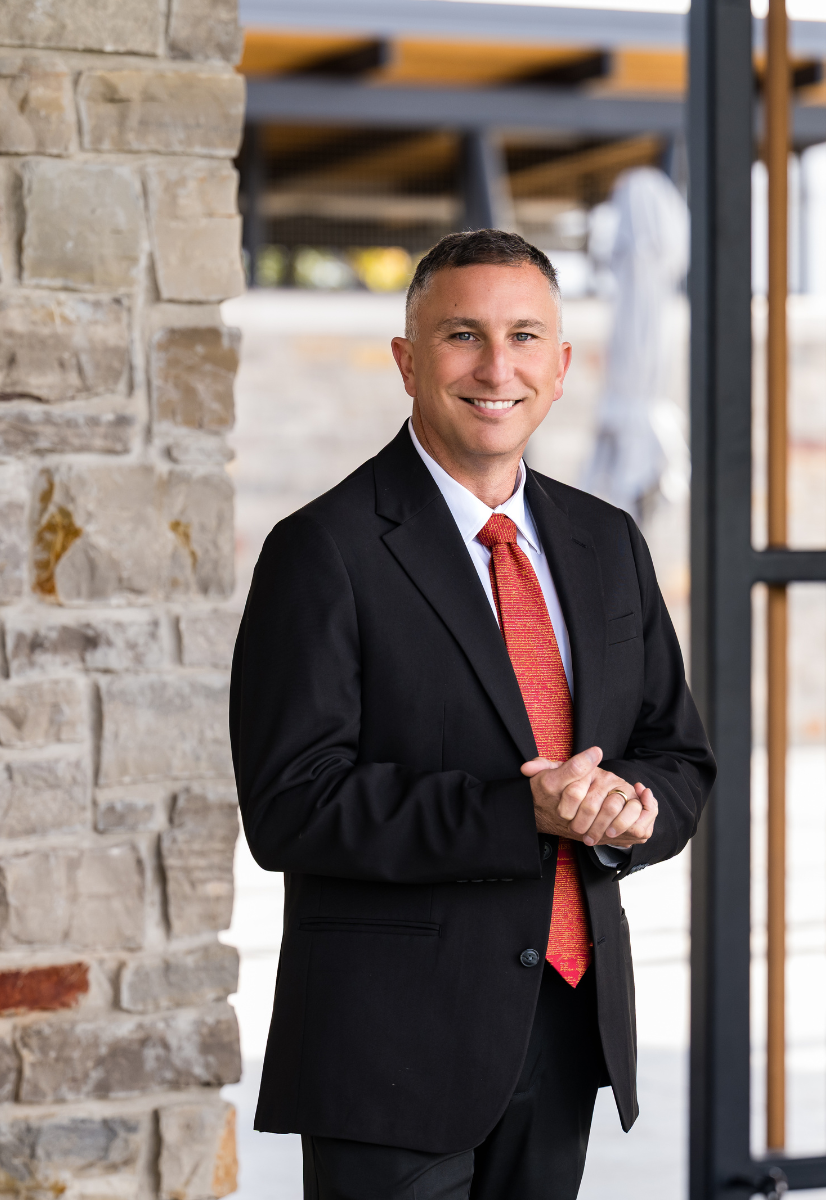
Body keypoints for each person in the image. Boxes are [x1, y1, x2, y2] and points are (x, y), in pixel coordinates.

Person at [230, 229, 716, 1200]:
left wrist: (634, 810)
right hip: (389, 1047)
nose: (498, 367)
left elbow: (678, 755)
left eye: (525, 336)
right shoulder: (321, 550)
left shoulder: (606, 541)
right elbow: (292, 806)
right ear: (408, 361)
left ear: (563, 365)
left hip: (565, 1021)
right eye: (462, 335)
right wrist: (519, 813)